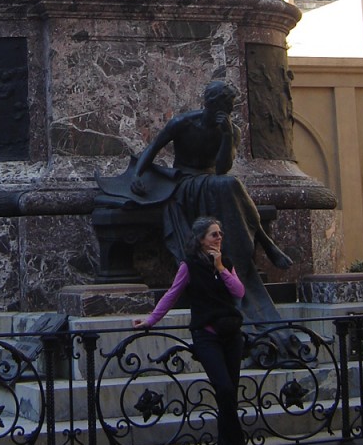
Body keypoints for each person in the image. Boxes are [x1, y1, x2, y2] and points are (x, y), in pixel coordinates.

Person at [97, 80, 293, 332]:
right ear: (210, 104)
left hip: (212, 180)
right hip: (185, 182)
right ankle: (266, 242)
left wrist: (226, 137)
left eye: (231, 108)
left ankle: (263, 242)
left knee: (227, 184)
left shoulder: (231, 131)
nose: (229, 112)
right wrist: (137, 176)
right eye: (225, 106)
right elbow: (152, 149)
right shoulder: (183, 123)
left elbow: (222, 169)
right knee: (228, 186)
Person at [133, 216, 261, 445]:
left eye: (220, 233)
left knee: (230, 392)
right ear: (201, 240)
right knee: (223, 388)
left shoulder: (225, 263)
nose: (219, 237)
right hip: (207, 335)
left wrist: (221, 268)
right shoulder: (189, 266)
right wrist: (151, 320)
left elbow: (239, 292)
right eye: (214, 234)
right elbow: (172, 294)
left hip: (231, 334)